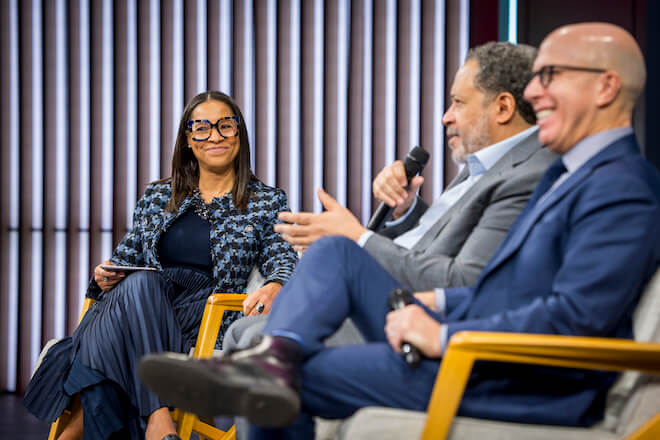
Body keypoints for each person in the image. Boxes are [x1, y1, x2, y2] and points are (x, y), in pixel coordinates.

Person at [140, 22, 660, 439]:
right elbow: (508, 287)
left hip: (520, 375)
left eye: (550, 77)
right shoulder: (567, 175)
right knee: (335, 255)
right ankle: (275, 356)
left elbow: (576, 319)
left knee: (291, 382)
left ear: (605, 86)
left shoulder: (621, 187)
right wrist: (439, 303)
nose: (535, 94)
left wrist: (444, 330)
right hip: (482, 343)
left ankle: (273, 364)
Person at [224, 42, 557, 350]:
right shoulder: (480, 165)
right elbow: (435, 240)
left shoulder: (529, 175)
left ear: (502, 107)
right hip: (388, 293)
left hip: (418, 318)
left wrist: (357, 237)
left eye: (458, 102)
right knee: (240, 332)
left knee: (260, 333)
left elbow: (462, 281)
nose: (446, 117)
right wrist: (408, 209)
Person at [23, 91, 298, 440]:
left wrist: (276, 282)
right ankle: (157, 417)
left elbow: (282, 255)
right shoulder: (157, 196)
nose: (214, 136)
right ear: (187, 140)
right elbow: (126, 259)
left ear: (239, 134)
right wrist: (103, 275)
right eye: (201, 128)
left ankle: (75, 433)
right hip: (144, 306)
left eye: (225, 126)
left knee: (118, 319)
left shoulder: (266, 201)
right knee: (137, 286)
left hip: (201, 316)